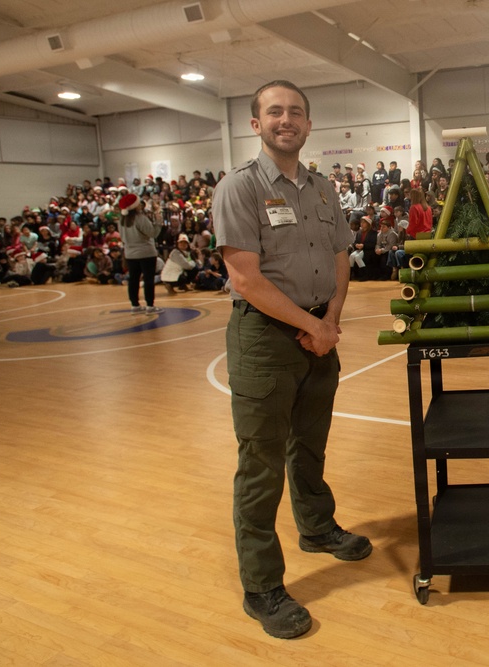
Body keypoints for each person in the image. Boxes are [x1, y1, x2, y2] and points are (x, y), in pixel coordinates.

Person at [212, 80, 372, 640]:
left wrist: (329, 319)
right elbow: (245, 279)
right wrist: (314, 327)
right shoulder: (240, 188)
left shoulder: (323, 190)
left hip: (316, 332)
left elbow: (340, 259)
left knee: (310, 442)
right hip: (265, 338)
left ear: (308, 124)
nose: (287, 120)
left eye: (296, 112)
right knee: (260, 463)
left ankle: (317, 527)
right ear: (256, 124)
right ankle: (261, 587)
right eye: (274, 112)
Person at [119, 192, 163, 313]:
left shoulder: (122, 220)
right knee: (148, 279)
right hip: (146, 253)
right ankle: (150, 305)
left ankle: (135, 305)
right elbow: (153, 233)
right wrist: (158, 222)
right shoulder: (139, 218)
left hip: (130, 253)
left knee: (133, 279)